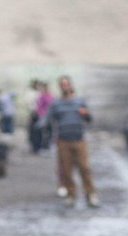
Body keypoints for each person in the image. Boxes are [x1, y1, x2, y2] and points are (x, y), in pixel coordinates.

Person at [39, 75, 98, 207]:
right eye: (62, 84)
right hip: (63, 141)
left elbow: (89, 119)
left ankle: (91, 195)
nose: (65, 86)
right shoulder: (56, 104)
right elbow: (47, 119)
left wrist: (85, 114)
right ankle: (71, 195)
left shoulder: (79, 101)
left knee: (84, 168)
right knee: (66, 170)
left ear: (71, 85)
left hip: (79, 140)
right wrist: (39, 125)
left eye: (67, 84)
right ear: (60, 87)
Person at [30, 81, 54, 153]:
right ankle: (41, 147)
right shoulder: (41, 96)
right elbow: (38, 106)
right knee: (41, 131)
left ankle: (46, 147)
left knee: (48, 132)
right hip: (42, 116)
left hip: (47, 116)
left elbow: (51, 105)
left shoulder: (49, 95)